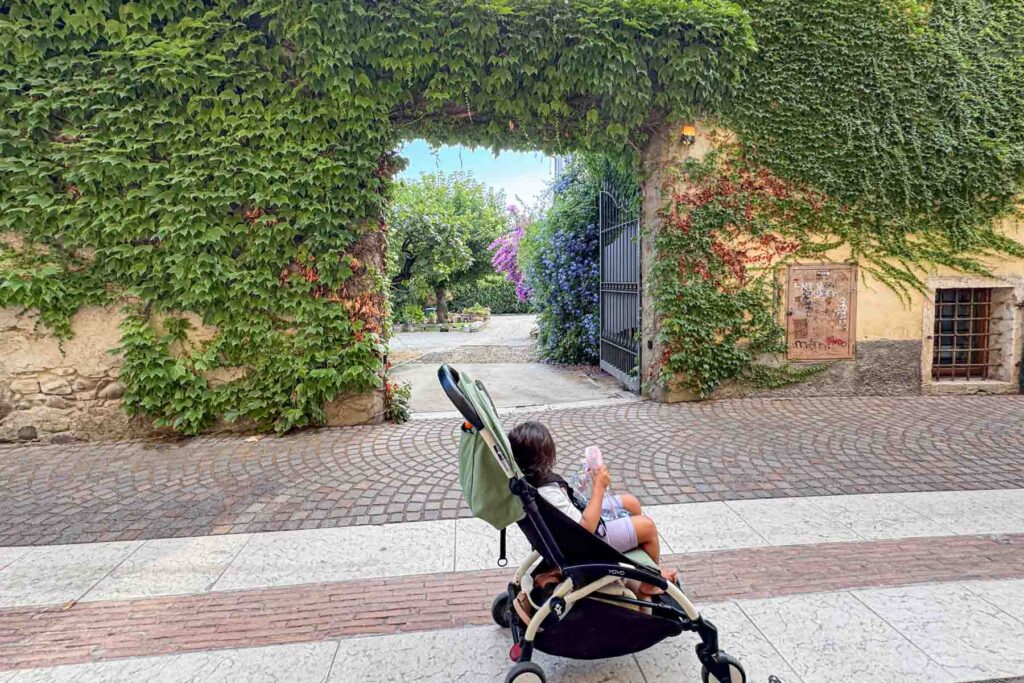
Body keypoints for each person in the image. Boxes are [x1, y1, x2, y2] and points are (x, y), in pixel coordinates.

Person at [507, 421, 678, 591]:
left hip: (574, 528)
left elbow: (567, 510)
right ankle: (649, 584)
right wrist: (598, 488)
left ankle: (640, 566)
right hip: (587, 543)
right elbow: (585, 529)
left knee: (630, 502)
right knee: (647, 527)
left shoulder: (534, 484)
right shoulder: (546, 493)